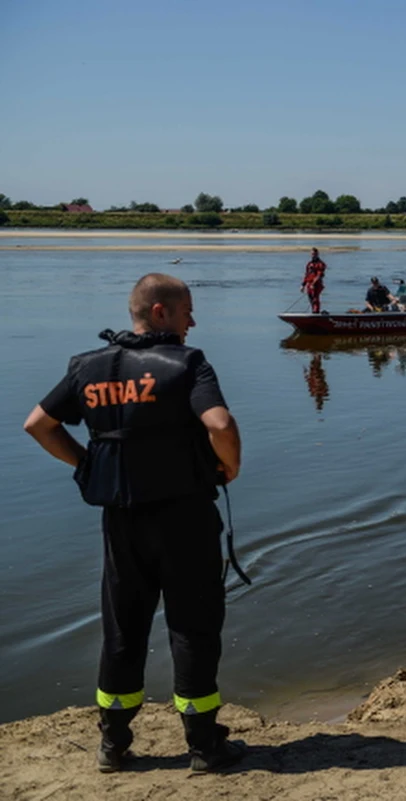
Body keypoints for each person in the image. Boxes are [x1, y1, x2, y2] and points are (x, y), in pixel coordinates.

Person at [22, 273, 247, 773]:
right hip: (184, 518)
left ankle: (113, 744)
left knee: (123, 628)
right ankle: (205, 746)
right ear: (161, 312)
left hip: (121, 521)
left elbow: (37, 424)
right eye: (187, 309)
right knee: (193, 626)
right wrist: (230, 466)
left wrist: (84, 464)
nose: (194, 320)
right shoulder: (188, 363)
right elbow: (220, 425)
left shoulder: (87, 366)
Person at [301, 247, 326, 313]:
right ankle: (313, 312)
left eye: (315, 254)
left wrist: (313, 283)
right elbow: (306, 275)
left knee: (315, 299)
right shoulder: (309, 264)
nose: (313, 255)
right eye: (312, 254)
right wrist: (303, 285)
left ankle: (316, 312)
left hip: (317, 284)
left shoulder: (321, 264)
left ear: (317, 254)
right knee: (311, 299)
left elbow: (319, 275)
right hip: (309, 285)